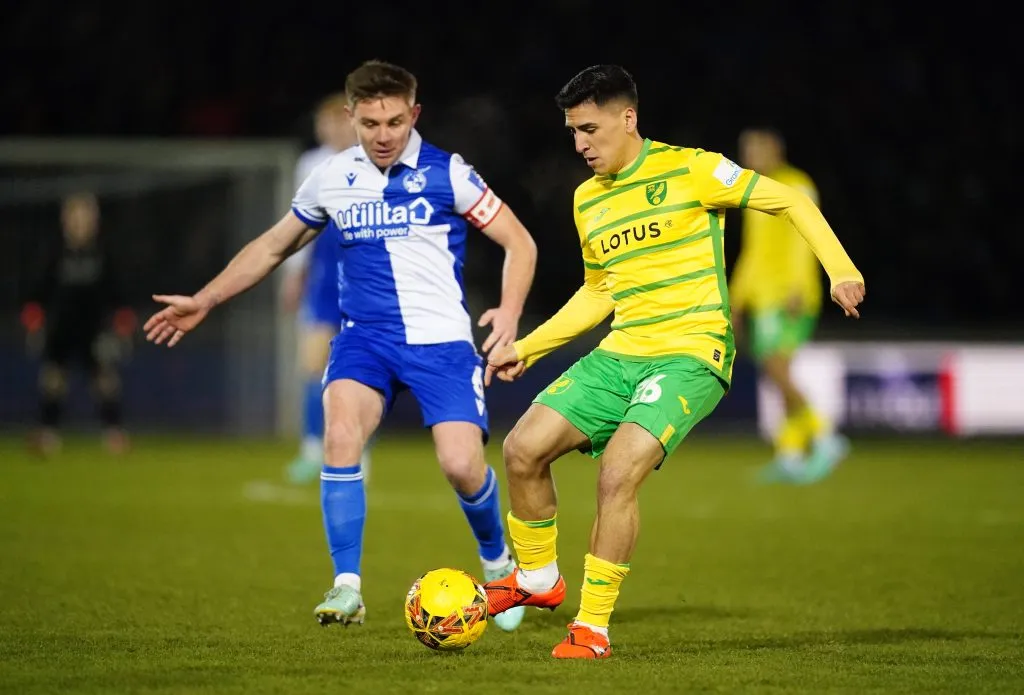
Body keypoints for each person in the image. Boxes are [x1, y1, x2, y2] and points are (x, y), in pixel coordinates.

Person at [481, 65, 866, 659]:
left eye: (589, 129)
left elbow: (789, 200)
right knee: (521, 449)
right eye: (572, 132)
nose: (579, 144)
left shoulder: (694, 169)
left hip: (690, 352)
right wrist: (528, 347)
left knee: (618, 471)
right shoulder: (588, 199)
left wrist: (840, 269)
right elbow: (599, 292)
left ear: (627, 118)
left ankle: (592, 628)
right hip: (621, 352)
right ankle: (537, 578)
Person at [143, 60, 538, 632]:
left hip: (441, 343)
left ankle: (498, 560)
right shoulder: (332, 177)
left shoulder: (448, 173)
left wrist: (510, 310)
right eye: (370, 123)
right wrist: (206, 298)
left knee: (460, 465)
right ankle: (347, 586)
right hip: (366, 340)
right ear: (351, 116)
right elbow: (273, 246)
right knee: (340, 433)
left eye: (395, 122)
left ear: (414, 114)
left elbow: (519, 243)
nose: (383, 135)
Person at [730, 127, 847, 483]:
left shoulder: (797, 184)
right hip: (764, 298)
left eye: (755, 150)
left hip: (790, 296)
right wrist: (737, 298)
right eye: (745, 151)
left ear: (774, 151)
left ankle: (824, 436)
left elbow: (805, 236)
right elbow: (753, 251)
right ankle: (791, 455)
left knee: (776, 369)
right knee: (776, 373)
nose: (748, 157)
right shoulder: (755, 190)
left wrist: (797, 285)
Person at [278, 92, 373, 485]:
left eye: (338, 121)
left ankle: (359, 451)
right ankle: (311, 448)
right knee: (313, 365)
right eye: (326, 123)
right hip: (322, 278)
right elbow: (299, 223)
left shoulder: (373, 162)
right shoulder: (311, 164)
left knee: (363, 369)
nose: (331, 129)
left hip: (362, 278)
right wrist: (294, 273)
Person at [21, 192, 136, 456]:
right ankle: (48, 433)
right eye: (76, 217)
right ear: (66, 221)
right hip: (61, 328)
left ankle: (114, 433)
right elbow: (37, 294)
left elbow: (118, 295)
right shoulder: (54, 253)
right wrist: (33, 324)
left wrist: (122, 327)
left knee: (105, 381)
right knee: (53, 380)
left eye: (86, 217)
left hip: (95, 329)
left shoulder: (103, 253)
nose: (81, 223)